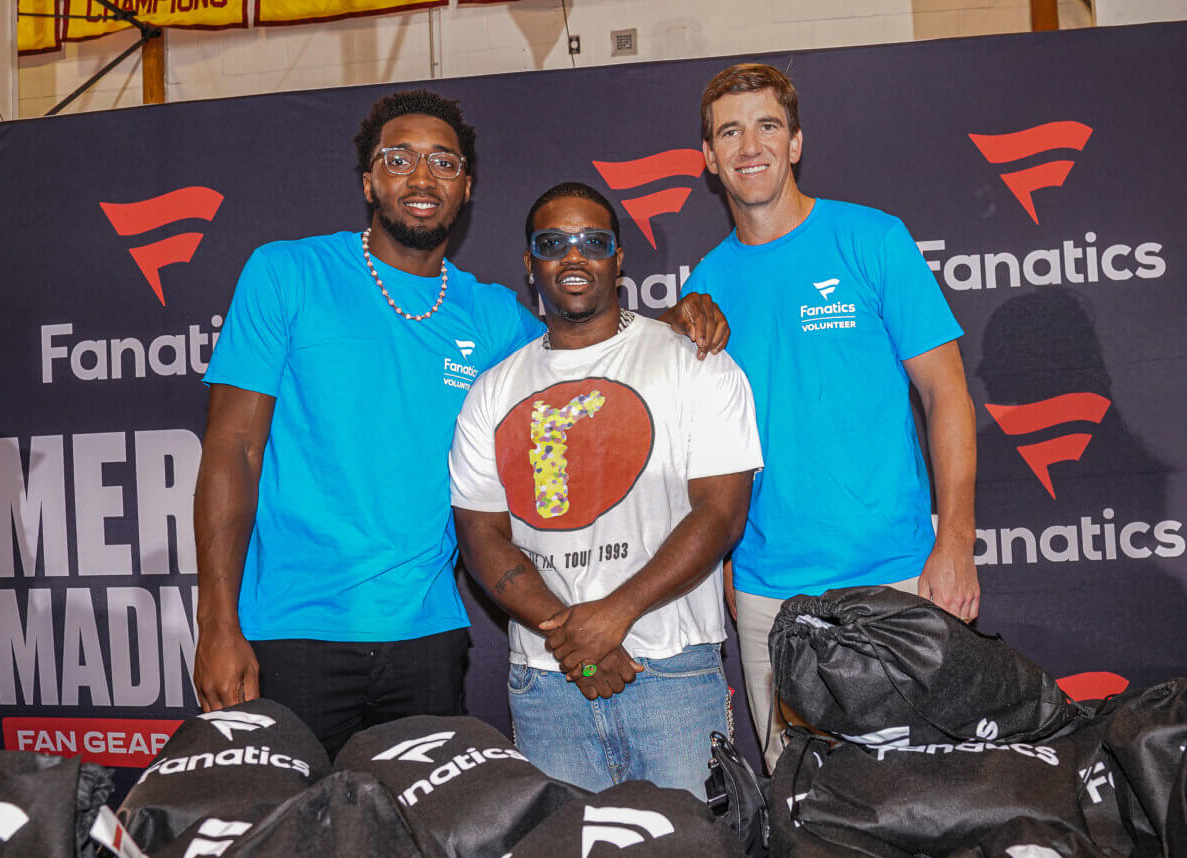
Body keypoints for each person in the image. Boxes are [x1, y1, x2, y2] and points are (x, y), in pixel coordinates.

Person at [193, 90, 729, 757]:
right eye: (400, 159)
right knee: (285, 825)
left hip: (427, 639)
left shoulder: (492, 316)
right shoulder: (286, 274)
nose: (422, 177)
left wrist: (670, 324)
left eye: (443, 162)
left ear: (466, 187)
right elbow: (233, 450)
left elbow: (586, 351)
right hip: (291, 632)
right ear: (369, 180)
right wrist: (216, 623)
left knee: (417, 828)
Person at [684, 63, 980, 769]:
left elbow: (945, 394)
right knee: (802, 804)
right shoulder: (705, 285)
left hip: (897, 576)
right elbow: (705, 444)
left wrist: (955, 541)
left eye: (767, 126)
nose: (749, 146)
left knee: (924, 795)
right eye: (729, 132)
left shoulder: (872, 239)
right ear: (709, 158)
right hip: (768, 594)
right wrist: (725, 560)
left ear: (795, 143)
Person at [449, 182, 763, 798]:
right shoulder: (492, 391)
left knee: (693, 856)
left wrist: (614, 616)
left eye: (593, 242)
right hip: (548, 680)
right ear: (530, 263)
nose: (574, 256)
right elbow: (480, 534)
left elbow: (721, 514)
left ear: (618, 260)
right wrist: (574, 636)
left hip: (671, 671)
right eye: (553, 243)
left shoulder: (694, 360)